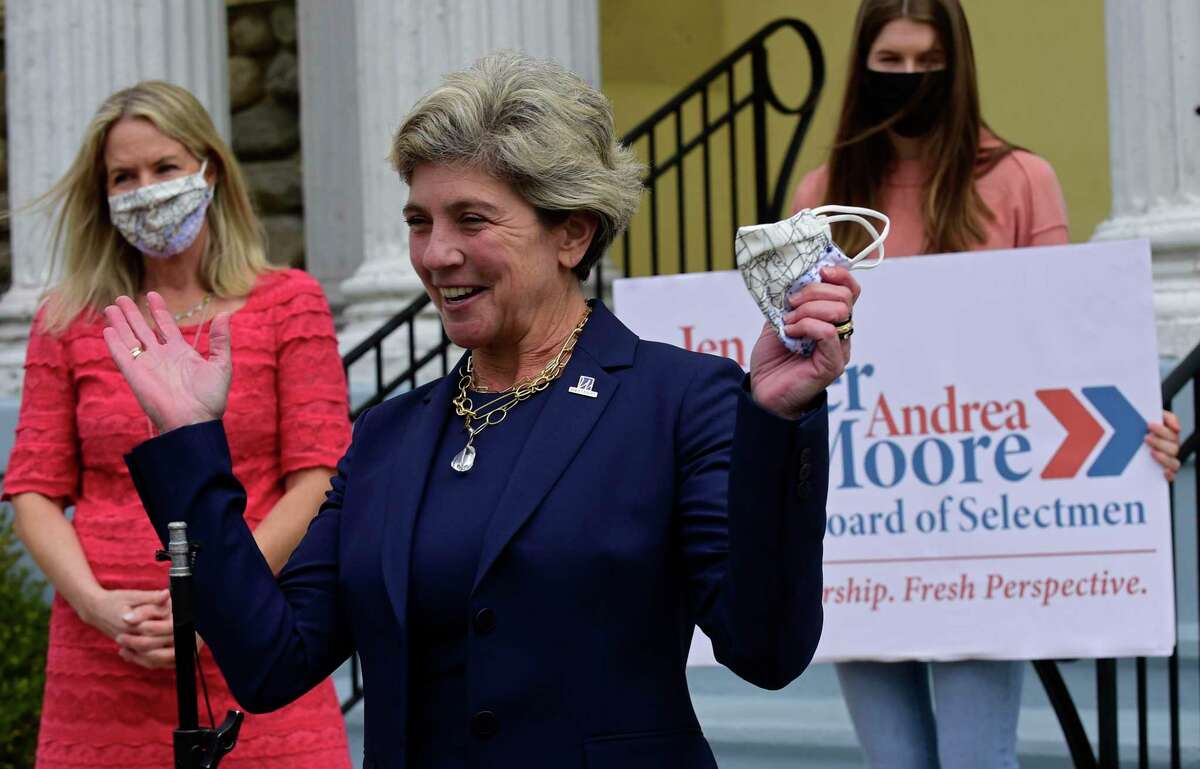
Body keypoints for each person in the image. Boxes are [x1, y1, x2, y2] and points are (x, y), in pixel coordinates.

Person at [103, 52, 858, 769]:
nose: (436, 254)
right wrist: (190, 443)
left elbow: (766, 651)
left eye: (471, 219)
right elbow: (271, 662)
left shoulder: (679, 401)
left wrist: (778, 423)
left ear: (572, 232)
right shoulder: (386, 437)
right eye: (419, 222)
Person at [791, 2, 1183, 767]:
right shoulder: (821, 197)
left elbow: (1067, 347)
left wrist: (1139, 435)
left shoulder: (1021, 180)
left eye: (929, 64)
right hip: (864, 529)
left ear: (958, 68)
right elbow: (799, 351)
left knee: (976, 758)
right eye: (891, 62)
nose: (910, 79)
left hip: (982, 527)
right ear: (862, 68)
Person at [5, 81, 353, 768]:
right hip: (103, 659)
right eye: (123, 177)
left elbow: (318, 478)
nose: (146, 190)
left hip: (253, 645)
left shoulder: (288, 302)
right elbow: (32, 490)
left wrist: (215, 603)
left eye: (164, 167)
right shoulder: (68, 319)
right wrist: (99, 606)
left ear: (209, 170)